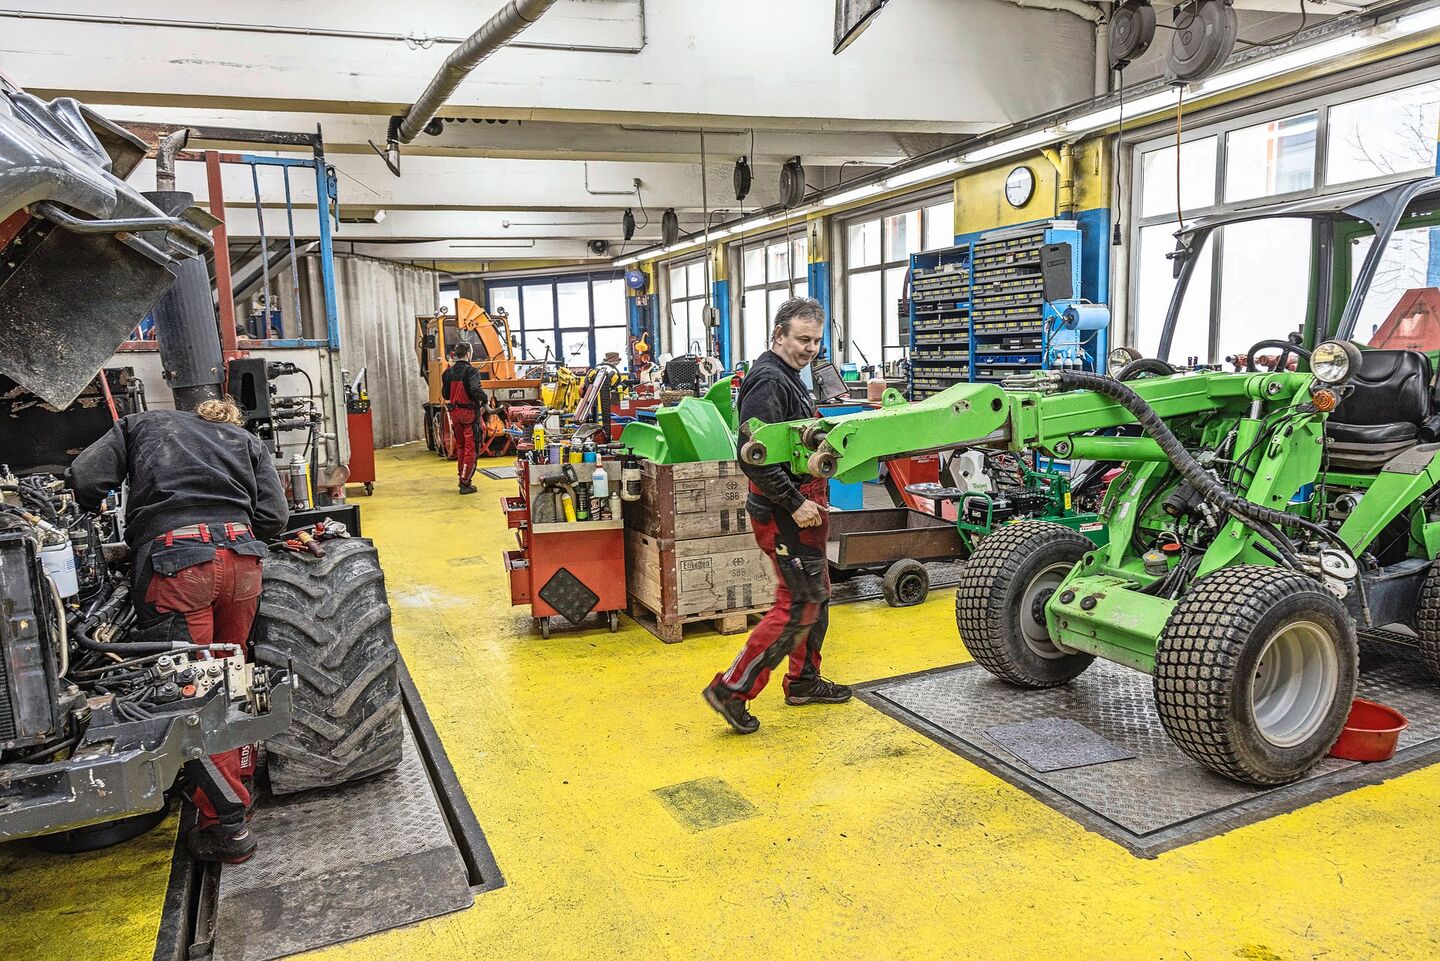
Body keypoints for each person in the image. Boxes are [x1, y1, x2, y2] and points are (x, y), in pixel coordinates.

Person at [71, 397, 288, 864]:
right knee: (233, 675)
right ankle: (239, 777)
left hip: (177, 563)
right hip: (242, 560)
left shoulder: (139, 424)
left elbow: (86, 477)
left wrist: (88, 510)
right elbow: (274, 517)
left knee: (191, 689)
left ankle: (225, 823)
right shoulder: (243, 439)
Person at [703, 297, 851, 734]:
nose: (810, 349)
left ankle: (803, 681)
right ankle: (732, 690)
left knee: (816, 595)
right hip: (784, 512)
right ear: (779, 334)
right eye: (802, 339)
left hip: (803, 506)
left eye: (816, 341)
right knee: (799, 602)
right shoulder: (769, 381)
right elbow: (753, 457)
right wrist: (795, 502)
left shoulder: (790, 376)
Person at [442, 342, 489, 494]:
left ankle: (462, 477)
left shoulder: (447, 373)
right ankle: (465, 482)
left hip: (454, 415)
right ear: (468, 354)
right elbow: (475, 389)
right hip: (469, 415)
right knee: (471, 450)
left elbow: (446, 394)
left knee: (461, 447)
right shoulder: (471, 371)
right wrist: (485, 398)